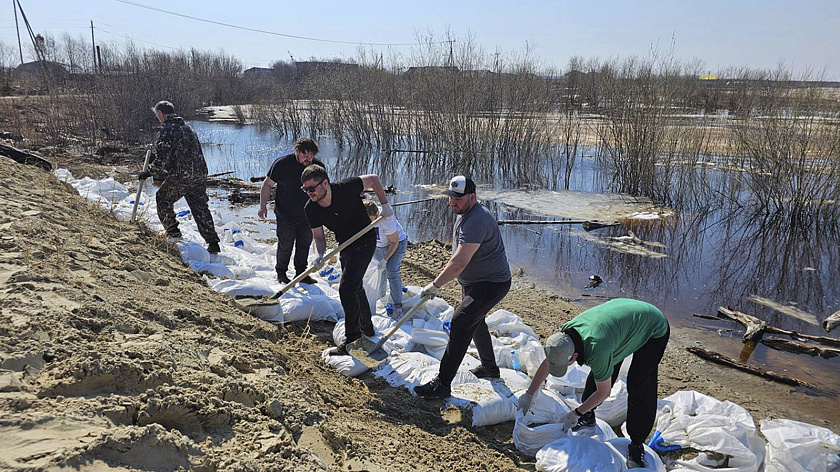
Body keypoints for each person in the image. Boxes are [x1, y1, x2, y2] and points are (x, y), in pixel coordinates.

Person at [518, 298, 670, 469]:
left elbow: (604, 393)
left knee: (638, 384)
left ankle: (636, 444)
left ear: (575, 356)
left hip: (652, 327)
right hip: (619, 328)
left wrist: (576, 413)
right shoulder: (562, 340)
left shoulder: (597, 349)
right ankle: (588, 417)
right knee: (599, 375)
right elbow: (549, 362)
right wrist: (529, 394)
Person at [414, 175, 511, 399]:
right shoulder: (465, 213)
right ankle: (489, 368)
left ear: (472, 197)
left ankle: (442, 384)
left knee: (460, 321)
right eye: (451, 197)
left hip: (491, 283)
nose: (452, 202)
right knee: (476, 322)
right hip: (475, 282)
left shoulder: (477, 220)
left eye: (458, 198)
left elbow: (459, 262)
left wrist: (435, 285)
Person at [301, 165, 394, 355]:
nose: (309, 193)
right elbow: (318, 237)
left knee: (346, 288)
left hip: (365, 240)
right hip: (345, 244)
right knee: (355, 287)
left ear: (325, 183)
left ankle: (352, 339)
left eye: (312, 188)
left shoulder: (346, 187)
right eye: (305, 189)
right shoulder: (311, 208)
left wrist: (385, 205)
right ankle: (367, 329)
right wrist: (319, 255)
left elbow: (374, 178)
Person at [139, 100, 221, 254]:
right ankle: (213, 242)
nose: (158, 118)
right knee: (200, 208)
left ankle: (173, 233)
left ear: (161, 114)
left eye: (157, 115)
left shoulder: (167, 128)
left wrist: (150, 171)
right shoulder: (188, 128)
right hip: (199, 173)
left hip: (182, 175)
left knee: (163, 199)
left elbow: (163, 156)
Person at [258, 138, 325, 284]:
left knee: (304, 244)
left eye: (311, 155)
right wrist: (262, 206)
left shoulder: (317, 168)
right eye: (305, 155)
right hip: (285, 213)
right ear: (297, 151)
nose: (308, 159)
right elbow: (267, 184)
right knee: (285, 244)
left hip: (308, 214)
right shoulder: (282, 164)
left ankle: (301, 273)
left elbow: (325, 190)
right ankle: (281, 272)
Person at [363, 200, 408, 318]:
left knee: (392, 272)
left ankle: (397, 306)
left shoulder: (386, 221)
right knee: (379, 271)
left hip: (397, 243)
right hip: (380, 245)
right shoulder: (362, 217)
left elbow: (394, 242)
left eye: (370, 219)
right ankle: (380, 296)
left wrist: (385, 260)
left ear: (376, 214)